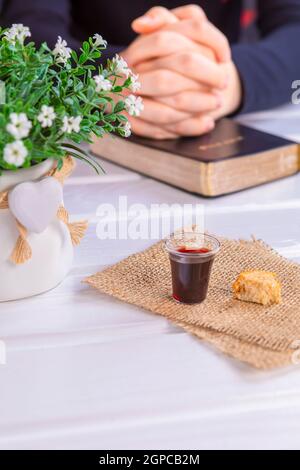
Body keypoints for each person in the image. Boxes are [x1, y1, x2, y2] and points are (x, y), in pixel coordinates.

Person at [2, 1, 300, 139]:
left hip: (211, 101)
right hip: (90, 134)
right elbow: (26, 30)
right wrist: (104, 79)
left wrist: (227, 80)